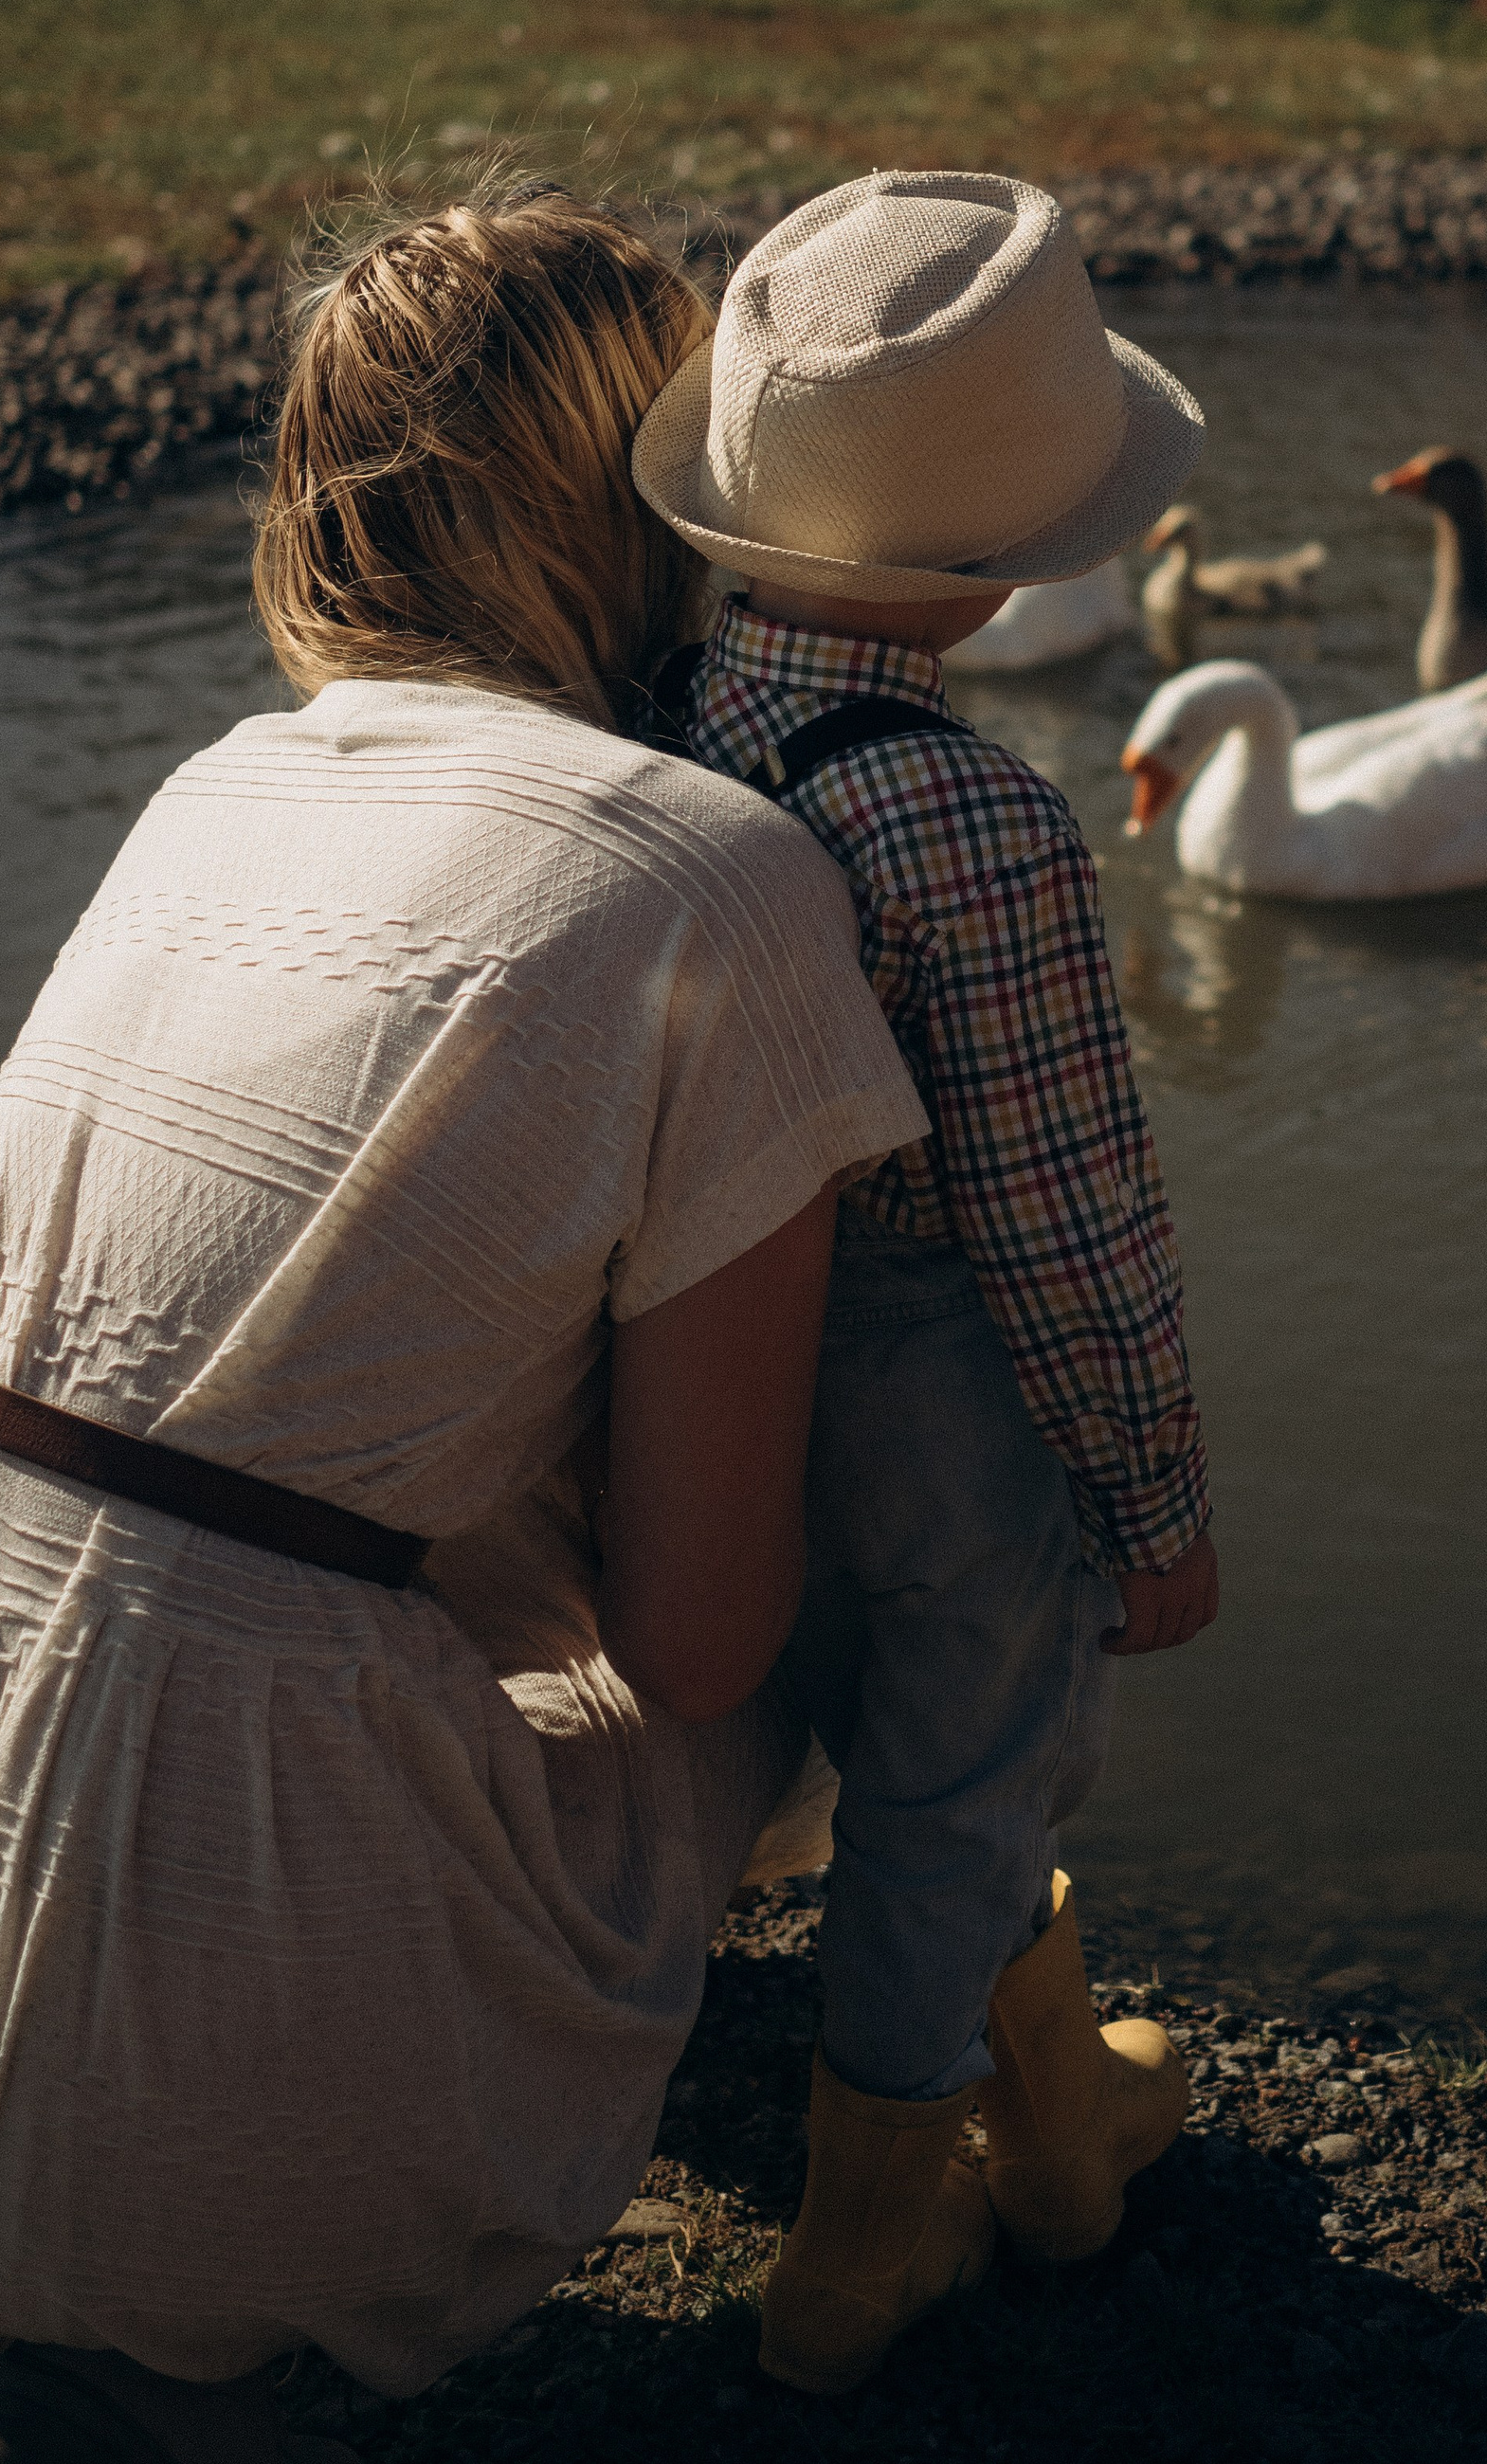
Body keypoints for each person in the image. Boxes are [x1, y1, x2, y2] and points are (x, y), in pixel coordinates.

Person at [0, 179, 932, 2463]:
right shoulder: (720, 871)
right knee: (803, 1626)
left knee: (302, 1477)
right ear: (669, 496)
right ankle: (262, 2207)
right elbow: (700, 1633)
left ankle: (113, 2242)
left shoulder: (221, 784)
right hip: (182, 1874)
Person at [631, 168, 1223, 2394]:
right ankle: (863, 2248)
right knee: (957, 1777)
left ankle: (1057, 2128)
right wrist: (1152, 1507)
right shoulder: (977, 829)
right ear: (991, 576)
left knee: (826, 1728)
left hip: (697, 1346)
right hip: (923, 1376)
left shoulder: (645, 730)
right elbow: (1069, 1225)